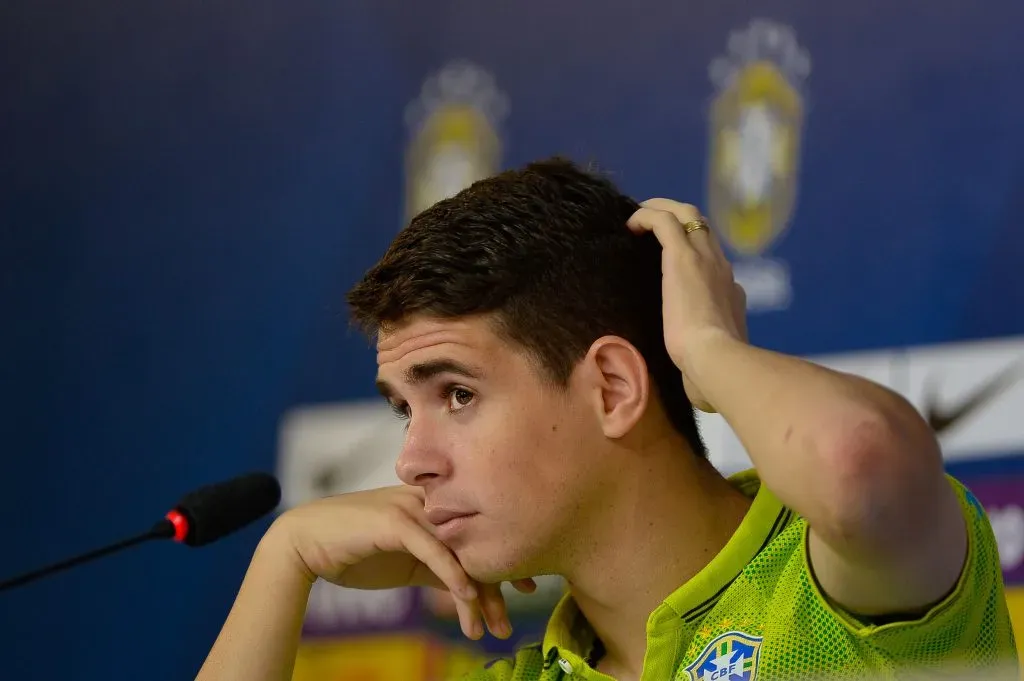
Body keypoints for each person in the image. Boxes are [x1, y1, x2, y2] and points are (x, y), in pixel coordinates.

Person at [195, 158, 1018, 681]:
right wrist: (285, 556)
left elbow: (860, 465)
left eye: (456, 394)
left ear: (615, 387)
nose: (412, 459)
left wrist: (704, 347)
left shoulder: (827, 588)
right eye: (404, 407)